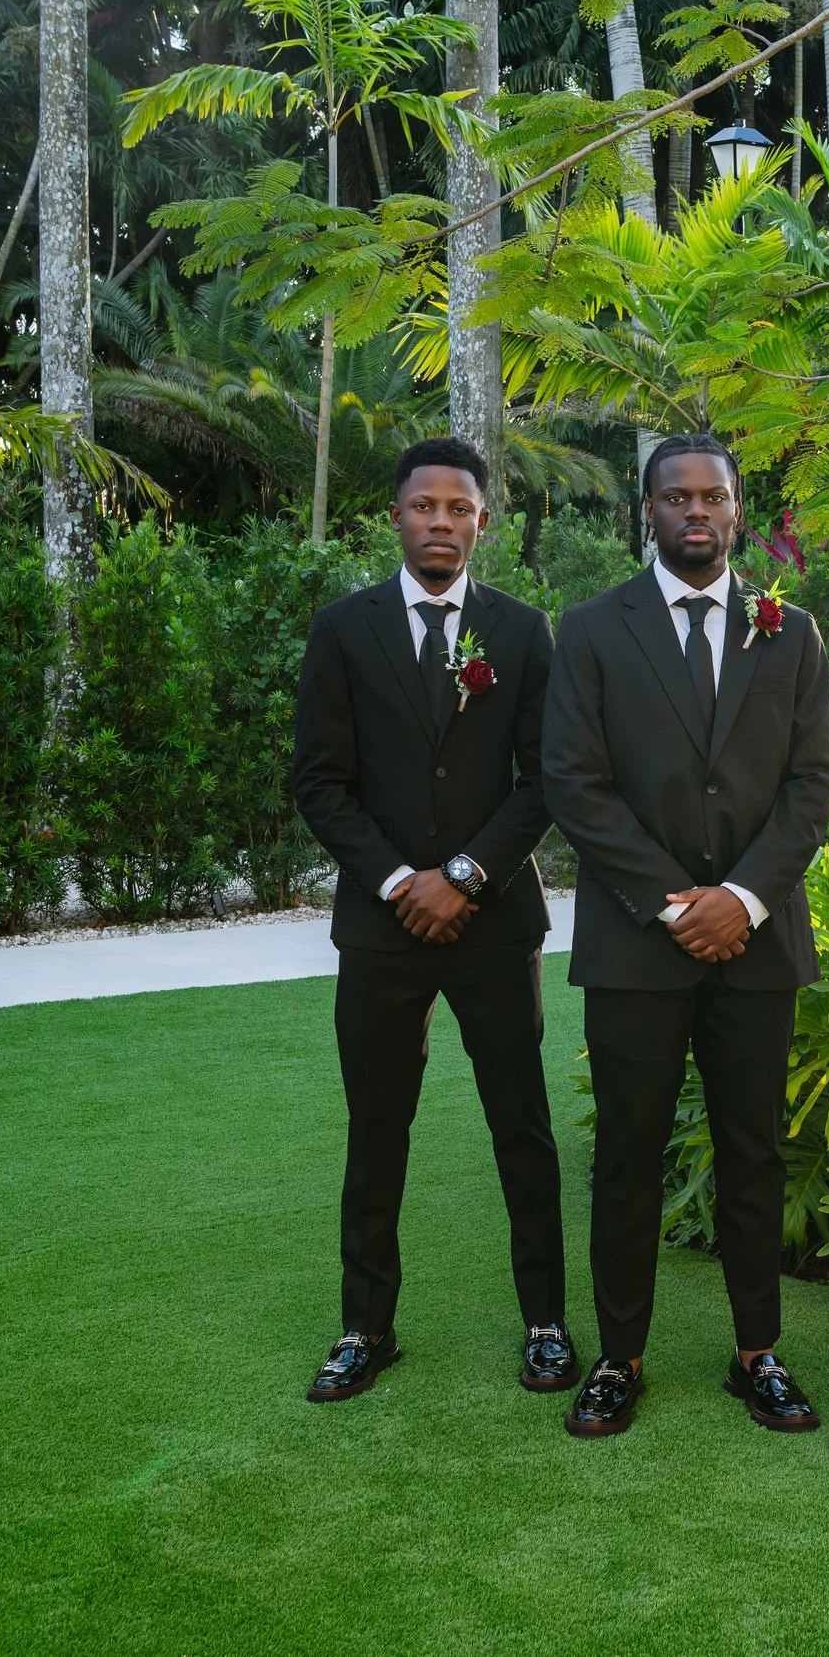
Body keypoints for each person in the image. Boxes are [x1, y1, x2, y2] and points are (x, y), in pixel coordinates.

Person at [540, 433, 829, 1438]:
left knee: (750, 1151)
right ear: (648, 511)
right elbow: (573, 782)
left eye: (712, 495)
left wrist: (743, 899)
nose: (696, 511)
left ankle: (758, 1350)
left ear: (738, 508)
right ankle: (617, 1356)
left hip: (755, 943)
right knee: (627, 1153)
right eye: (676, 497)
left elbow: (811, 785)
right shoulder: (589, 630)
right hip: (637, 945)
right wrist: (676, 900)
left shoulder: (790, 631)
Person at [290, 436, 573, 1403]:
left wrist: (462, 874)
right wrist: (399, 881)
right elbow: (319, 782)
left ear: (482, 522)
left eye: (459, 508)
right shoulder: (342, 629)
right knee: (378, 1127)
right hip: (381, 930)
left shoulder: (525, 632)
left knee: (520, 1127)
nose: (441, 523)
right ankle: (365, 1327)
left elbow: (544, 782)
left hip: (494, 924)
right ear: (397, 517)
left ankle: (546, 1322)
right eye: (424, 508)